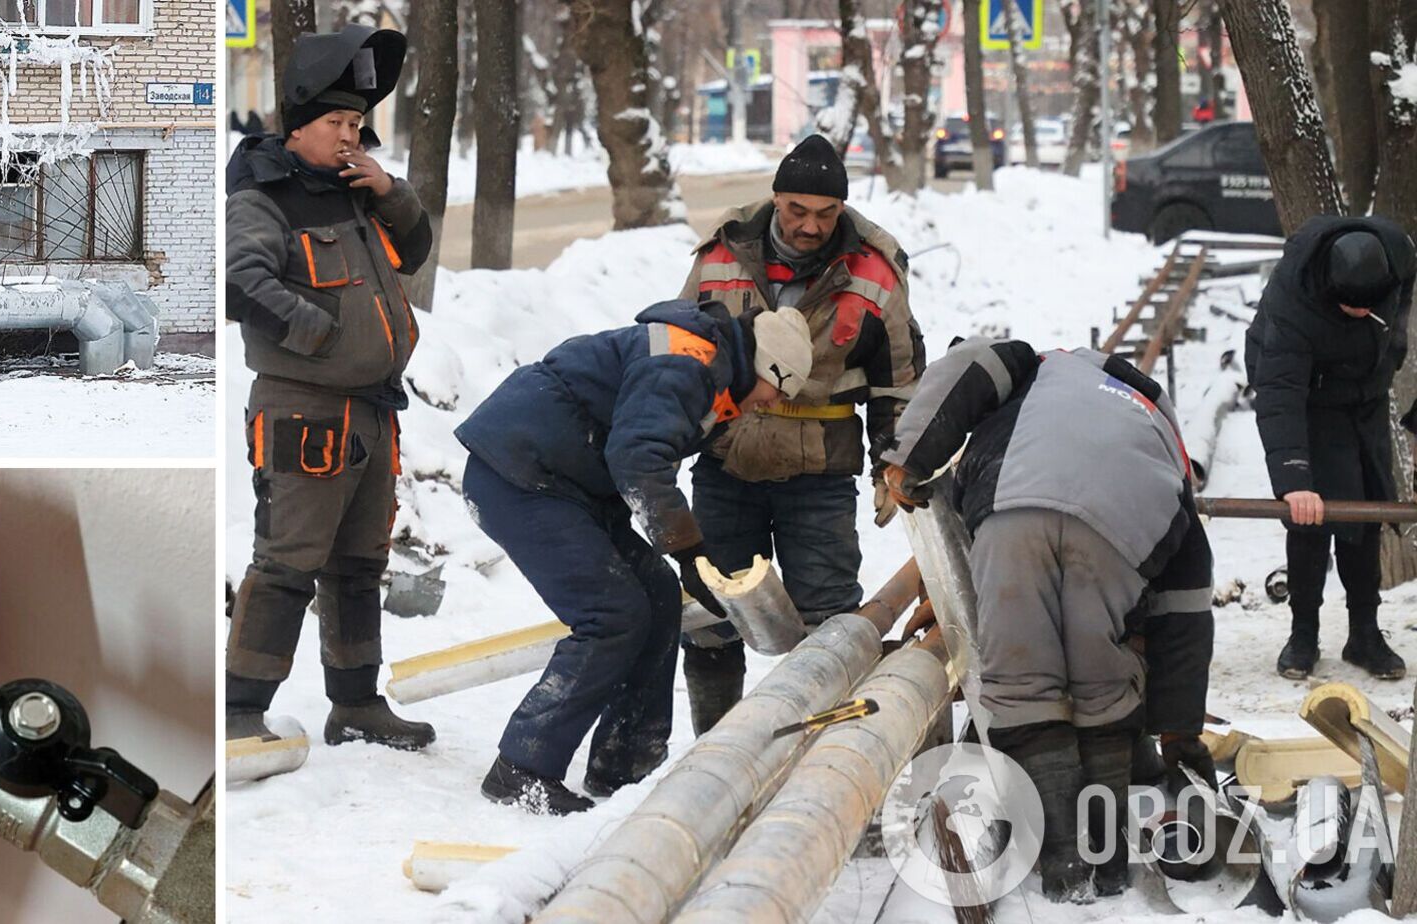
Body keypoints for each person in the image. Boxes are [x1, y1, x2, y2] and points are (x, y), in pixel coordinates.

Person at [880, 339, 1215, 902]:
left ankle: (1062, 862)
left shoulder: (1034, 365)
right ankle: (1108, 863)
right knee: (1103, 682)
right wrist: (1179, 729)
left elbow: (970, 366)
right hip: (1126, 519)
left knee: (1024, 681)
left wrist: (906, 459)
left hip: (1016, 504)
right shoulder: (1158, 422)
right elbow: (1186, 597)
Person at [455, 299, 814, 814]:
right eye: (776, 393)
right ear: (764, 366)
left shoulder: (712, 372)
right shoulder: (688, 364)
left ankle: (626, 762)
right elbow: (637, 458)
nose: (771, 405)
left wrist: (685, 558)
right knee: (612, 613)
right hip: (519, 473)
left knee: (659, 594)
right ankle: (522, 769)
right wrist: (689, 549)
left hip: (567, 480)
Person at [222, 25, 436, 753]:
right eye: (337, 124)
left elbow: (413, 251)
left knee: (358, 566)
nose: (351, 137)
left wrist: (390, 191)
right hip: (305, 410)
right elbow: (240, 281)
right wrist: (323, 338)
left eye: (356, 125)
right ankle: (240, 711)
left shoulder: (353, 190)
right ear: (300, 126)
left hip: (371, 415)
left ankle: (356, 704)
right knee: (287, 562)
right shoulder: (264, 198)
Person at [675, 133, 924, 735]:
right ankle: (716, 748)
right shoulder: (720, 258)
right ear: (776, 199)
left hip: (819, 475)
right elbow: (678, 354)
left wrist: (892, 465)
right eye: (797, 210)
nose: (810, 226)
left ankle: (820, 753)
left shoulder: (874, 272)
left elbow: (897, 385)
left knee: (829, 621)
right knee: (712, 616)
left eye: (826, 213)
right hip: (727, 463)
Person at [1249, 217, 1417, 680]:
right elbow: (1279, 391)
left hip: (1363, 391)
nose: (1362, 313)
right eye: (1351, 307)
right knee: (1312, 512)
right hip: (1304, 392)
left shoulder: (1398, 259)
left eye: (1369, 307)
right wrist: (1294, 481)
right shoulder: (1293, 300)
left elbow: (1402, 325)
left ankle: (1365, 631)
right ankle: (1303, 631)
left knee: (1364, 505)